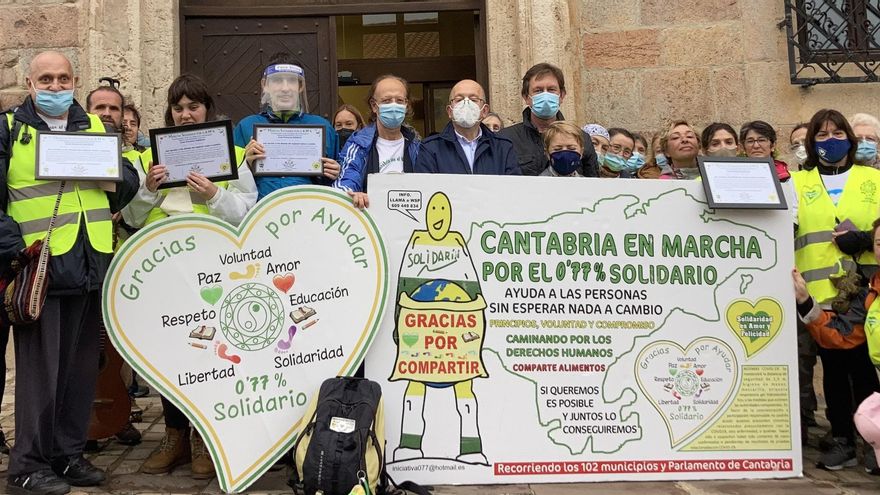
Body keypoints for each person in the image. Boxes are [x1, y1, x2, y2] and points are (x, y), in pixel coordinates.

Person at [0, 50, 139, 495]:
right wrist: (16, 250)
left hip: (90, 262)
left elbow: (126, 185)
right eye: (46, 79)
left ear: (75, 81)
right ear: (29, 83)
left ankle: (66, 455)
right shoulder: (9, 130)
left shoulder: (96, 126)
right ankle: (28, 464)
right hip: (40, 266)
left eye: (63, 78)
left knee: (81, 371)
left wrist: (115, 177)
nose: (56, 86)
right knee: (40, 375)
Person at [124, 74, 257, 480]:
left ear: (207, 111)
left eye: (193, 107)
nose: (185, 115)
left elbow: (248, 213)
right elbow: (130, 218)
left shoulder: (232, 154)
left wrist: (213, 196)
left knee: (208, 353)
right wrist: (148, 189)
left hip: (214, 273)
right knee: (170, 353)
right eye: (178, 108)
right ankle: (174, 436)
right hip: (167, 274)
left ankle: (203, 437)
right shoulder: (154, 159)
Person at [792, 108, 880, 470]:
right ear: (812, 142)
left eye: (837, 133)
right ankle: (843, 436)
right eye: (822, 135)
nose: (831, 140)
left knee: (866, 369)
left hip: (869, 287)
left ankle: (874, 441)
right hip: (822, 292)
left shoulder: (873, 178)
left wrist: (861, 238)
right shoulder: (798, 182)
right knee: (833, 367)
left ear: (850, 137)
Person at [793, 216, 880, 472]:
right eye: (878, 242)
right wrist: (806, 301)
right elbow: (840, 336)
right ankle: (857, 442)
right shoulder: (870, 292)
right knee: (839, 363)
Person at [84, 85, 144, 448]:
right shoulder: (74, 147)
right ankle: (87, 416)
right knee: (89, 343)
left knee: (120, 342)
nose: (107, 113)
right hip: (86, 259)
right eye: (99, 107)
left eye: (114, 109)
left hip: (126, 255)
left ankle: (119, 411)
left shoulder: (136, 158)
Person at [233, 54, 340, 200]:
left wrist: (335, 173)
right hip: (260, 213)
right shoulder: (246, 126)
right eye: (277, 81)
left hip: (310, 211)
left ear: (300, 86)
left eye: (291, 81)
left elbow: (336, 184)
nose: (285, 88)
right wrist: (247, 165)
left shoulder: (322, 127)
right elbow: (231, 186)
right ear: (265, 85)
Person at [333, 74, 420, 208]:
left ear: (406, 105)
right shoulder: (358, 144)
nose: (394, 105)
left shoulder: (417, 146)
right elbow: (346, 180)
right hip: (370, 221)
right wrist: (353, 194)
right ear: (374, 105)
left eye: (399, 100)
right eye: (386, 101)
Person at [498, 63, 598, 177]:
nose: (545, 95)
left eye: (551, 89)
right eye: (538, 90)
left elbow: (593, 185)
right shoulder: (506, 139)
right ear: (526, 97)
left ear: (562, 96)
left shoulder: (582, 138)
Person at [414, 79, 519, 176]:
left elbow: (513, 189)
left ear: (484, 111)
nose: (466, 103)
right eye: (459, 100)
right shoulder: (430, 148)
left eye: (473, 100)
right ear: (450, 111)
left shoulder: (503, 147)